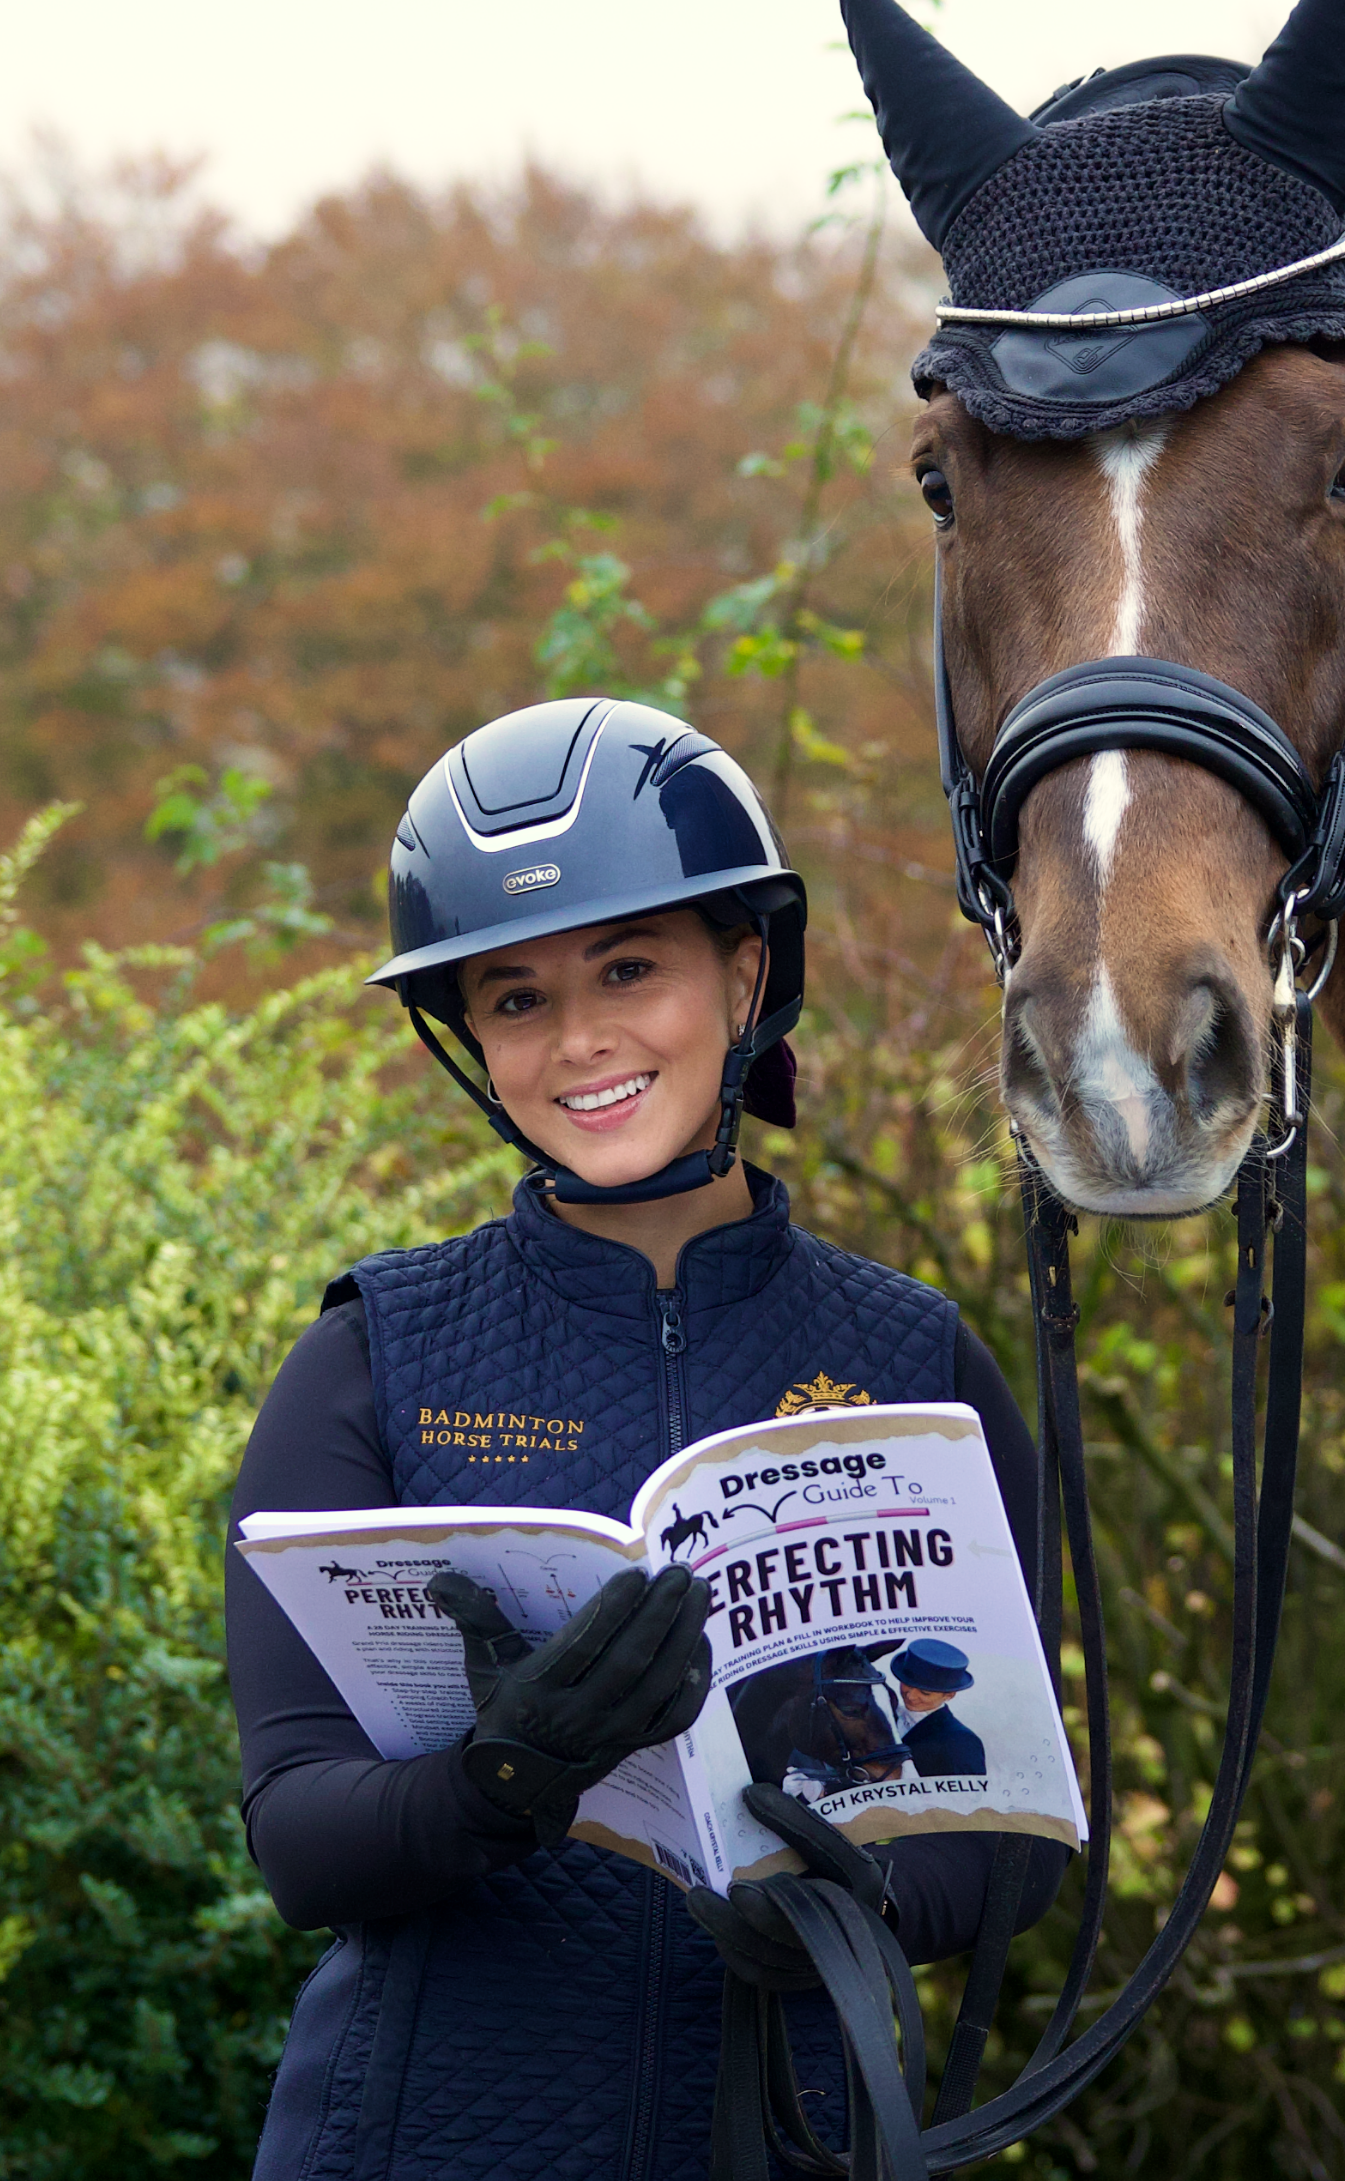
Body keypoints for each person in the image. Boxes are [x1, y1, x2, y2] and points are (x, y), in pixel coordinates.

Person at [227, 696, 1066, 2181]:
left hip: (796, 2140)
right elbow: (299, 1838)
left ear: (745, 975)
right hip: (413, 2143)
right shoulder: (367, 1361)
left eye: (630, 968)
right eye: (516, 996)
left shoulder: (916, 1367)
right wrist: (504, 1779)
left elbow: (1017, 1836)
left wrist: (839, 1907)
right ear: (472, 1040)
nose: (582, 1040)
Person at [891, 1640, 987, 1778]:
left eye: (925, 1693)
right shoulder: (883, 1716)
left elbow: (969, 1798)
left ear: (949, 1695)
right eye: (907, 1684)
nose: (911, 1696)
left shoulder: (962, 1742)